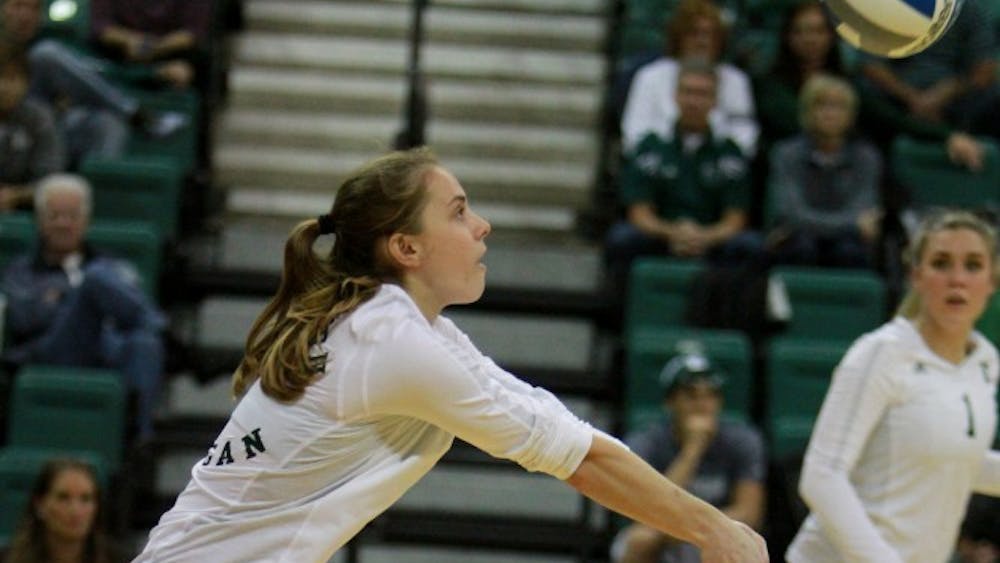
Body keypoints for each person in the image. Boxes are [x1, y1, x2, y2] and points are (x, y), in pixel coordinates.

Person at [132, 147, 769, 562]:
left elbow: (563, 431)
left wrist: (706, 524)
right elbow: (577, 460)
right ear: (406, 248)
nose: (482, 226)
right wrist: (714, 530)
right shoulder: (393, 344)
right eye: (460, 212)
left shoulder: (404, 329)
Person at [787, 210, 1000, 562]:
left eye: (973, 265)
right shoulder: (881, 354)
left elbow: (952, 459)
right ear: (916, 275)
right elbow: (822, 476)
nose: (957, 279)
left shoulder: (985, 362)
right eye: (941, 263)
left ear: (992, 281)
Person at [0, 173, 165, 440]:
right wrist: (79, 300)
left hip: (107, 349)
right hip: (51, 352)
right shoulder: (21, 271)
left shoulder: (113, 265)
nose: (64, 224)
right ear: (40, 222)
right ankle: (170, 335)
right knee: (95, 281)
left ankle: (138, 441)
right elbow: (25, 317)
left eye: (72, 216)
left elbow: (127, 315)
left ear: (86, 221)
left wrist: (61, 297)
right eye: (55, 216)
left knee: (144, 342)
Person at [605, 58, 761, 296]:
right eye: (688, 92)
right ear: (675, 96)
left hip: (712, 239)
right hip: (660, 236)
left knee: (749, 246)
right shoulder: (650, 147)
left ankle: (729, 319)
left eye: (702, 94)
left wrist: (703, 237)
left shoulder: (731, 153)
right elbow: (639, 213)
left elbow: (734, 219)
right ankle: (618, 318)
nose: (694, 102)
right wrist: (673, 232)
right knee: (622, 238)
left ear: (715, 101)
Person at [613, 345, 766, 563]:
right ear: (670, 402)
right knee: (641, 540)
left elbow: (749, 512)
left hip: (713, 531)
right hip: (662, 531)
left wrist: (698, 530)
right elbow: (652, 509)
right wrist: (693, 450)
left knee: (741, 539)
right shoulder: (645, 442)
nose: (702, 405)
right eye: (691, 396)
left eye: (710, 396)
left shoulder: (743, 441)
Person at [0, 0, 187, 162]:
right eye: (17, 6)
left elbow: (101, 73)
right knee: (46, 54)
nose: (25, 15)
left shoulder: (55, 42)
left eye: (34, 9)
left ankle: (99, 195)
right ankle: (135, 113)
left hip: (43, 131)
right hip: (10, 130)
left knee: (109, 123)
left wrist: (153, 74)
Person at [855, 0, 996, 172]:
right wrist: (913, 98)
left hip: (955, 100)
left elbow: (984, 70)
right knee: (859, 94)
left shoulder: (969, 10)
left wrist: (943, 94)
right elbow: (871, 66)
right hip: (898, 100)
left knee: (993, 96)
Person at [766, 73, 881, 269]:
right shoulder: (786, 153)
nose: (830, 113)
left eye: (838, 106)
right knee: (802, 246)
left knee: (850, 250)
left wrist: (852, 226)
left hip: (847, 241)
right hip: (799, 240)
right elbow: (792, 213)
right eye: (822, 105)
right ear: (807, 111)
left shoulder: (867, 158)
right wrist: (852, 225)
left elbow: (864, 210)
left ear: (851, 115)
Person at [620, 0, 758, 157]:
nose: (702, 42)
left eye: (710, 35)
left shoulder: (736, 81)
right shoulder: (650, 76)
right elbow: (634, 133)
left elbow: (745, 136)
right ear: (679, 36)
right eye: (694, 33)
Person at [752, 1, 847, 150]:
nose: (809, 39)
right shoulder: (769, 86)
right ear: (787, 36)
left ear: (831, 36)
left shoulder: (847, 83)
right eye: (799, 31)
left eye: (818, 31)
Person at [0, 457, 128, 563]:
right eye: (63, 498)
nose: (75, 510)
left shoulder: (120, 559)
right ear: (39, 505)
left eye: (86, 499)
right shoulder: (8, 559)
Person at [89, 0, 212, 91]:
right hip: (116, 59)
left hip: (172, 58)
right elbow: (101, 27)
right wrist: (129, 41)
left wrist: (155, 48)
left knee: (183, 74)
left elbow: (193, 33)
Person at [0, 47, 63, 211]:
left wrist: (16, 195)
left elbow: (50, 177)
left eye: (11, 79)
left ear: (26, 83)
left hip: (28, 205)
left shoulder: (39, 118)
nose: (3, 87)